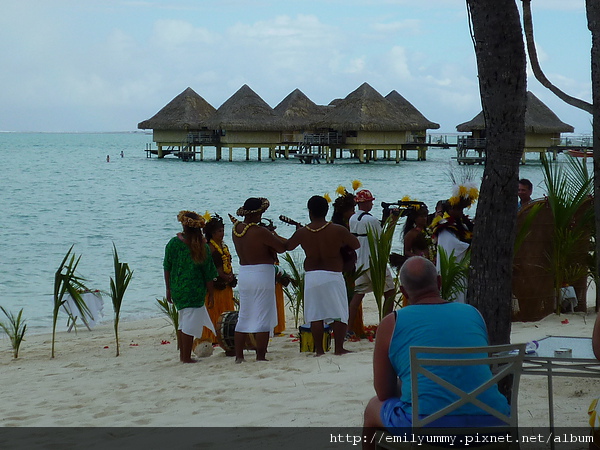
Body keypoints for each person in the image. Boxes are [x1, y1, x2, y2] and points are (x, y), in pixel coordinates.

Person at [362, 257, 510, 448]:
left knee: (373, 407)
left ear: (404, 292)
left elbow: (384, 392)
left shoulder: (393, 322)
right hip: (493, 421)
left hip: (429, 428)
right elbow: (481, 370)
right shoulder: (473, 313)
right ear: (439, 282)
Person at [286, 195, 360, 355]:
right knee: (339, 313)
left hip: (312, 276)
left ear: (310, 212)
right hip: (333, 275)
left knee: (315, 314)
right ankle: (339, 348)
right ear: (327, 211)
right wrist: (340, 242)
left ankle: (319, 350)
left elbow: (287, 246)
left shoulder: (303, 232)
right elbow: (356, 244)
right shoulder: (337, 229)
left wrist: (272, 235)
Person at [231, 197, 286, 363]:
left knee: (244, 315)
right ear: (257, 213)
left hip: (245, 274)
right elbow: (282, 247)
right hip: (262, 274)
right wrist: (273, 233)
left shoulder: (236, 229)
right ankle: (260, 356)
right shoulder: (260, 231)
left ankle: (239, 356)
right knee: (263, 315)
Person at [163, 210, 217, 363]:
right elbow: (208, 274)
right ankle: (185, 357)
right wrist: (211, 294)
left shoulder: (173, 243)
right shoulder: (203, 247)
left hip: (178, 288)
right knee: (188, 325)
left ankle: (183, 355)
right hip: (195, 290)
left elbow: (167, 267)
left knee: (183, 322)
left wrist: (168, 288)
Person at [348, 189, 396, 333]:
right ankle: (386, 326)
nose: (372, 204)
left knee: (358, 295)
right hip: (373, 262)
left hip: (360, 262)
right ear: (367, 203)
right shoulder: (372, 220)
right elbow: (383, 239)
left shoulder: (352, 218)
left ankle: (348, 329)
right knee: (390, 292)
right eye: (370, 202)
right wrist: (392, 222)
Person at [195, 214, 237, 354]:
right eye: (219, 231)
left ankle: (223, 333)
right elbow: (212, 268)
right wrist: (225, 277)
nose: (222, 233)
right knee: (214, 310)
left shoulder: (223, 246)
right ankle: (212, 336)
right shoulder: (210, 247)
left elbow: (227, 263)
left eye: (223, 230)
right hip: (216, 284)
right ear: (212, 233)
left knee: (226, 309)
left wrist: (230, 276)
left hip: (226, 283)